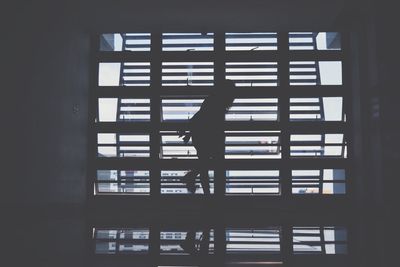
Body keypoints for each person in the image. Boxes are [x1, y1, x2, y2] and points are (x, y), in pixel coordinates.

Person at [178, 80, 235, 194]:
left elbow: (199, 117)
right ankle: (194, 180)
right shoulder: (216, 102)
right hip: (206, 137)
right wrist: (188, 131)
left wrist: (188, 132)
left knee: (204, 165)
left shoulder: (212, 100)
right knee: (207, 164)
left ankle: (199, 185)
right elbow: (201, 118)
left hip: (202, 137)